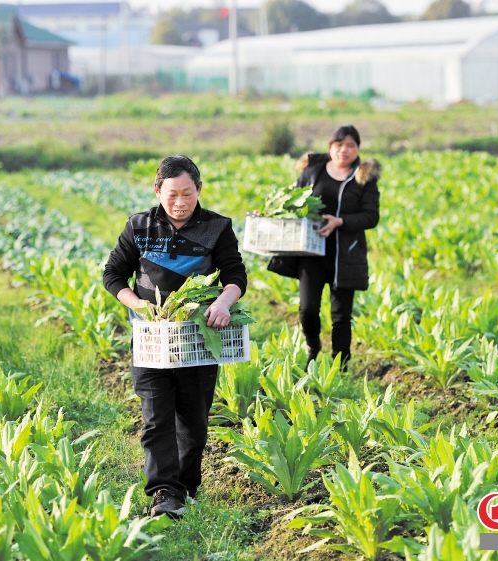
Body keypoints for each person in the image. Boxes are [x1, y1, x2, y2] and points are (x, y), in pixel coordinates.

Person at [103, 155, 247, 519]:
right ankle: (164, 492)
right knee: (156, 417)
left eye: (187, 193)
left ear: (199, 189)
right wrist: (136, 304)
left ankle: (186, 485)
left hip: (197, 340)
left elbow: (235, 275)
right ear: (157, 191)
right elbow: (113, 275)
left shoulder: (217, 228)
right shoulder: (139, 226)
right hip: (151, 337)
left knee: (193, 421)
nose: (180, 202)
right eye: (172, 195)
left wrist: (225, 303)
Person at [269, 125, 380, 368]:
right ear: (330, 147)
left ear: (358, 149)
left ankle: (341, 364)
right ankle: (313, 345)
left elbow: (371, 216)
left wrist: (340, 222)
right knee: (308, 309)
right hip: (311, 251)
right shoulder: (314, 170)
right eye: (339, 145)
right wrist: (272, 213)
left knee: (341, 317)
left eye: (350, 145)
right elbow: (293, 199)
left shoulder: (364, 177)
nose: (344, 150)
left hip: (345, 255)